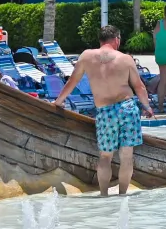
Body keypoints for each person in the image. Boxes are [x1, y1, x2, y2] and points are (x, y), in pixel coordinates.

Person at [52, 26, 155, 196]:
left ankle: (104, 196)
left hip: (105, 111)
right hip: (127, 108)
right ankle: (122, 195)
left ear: (100, 40)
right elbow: (139, 87)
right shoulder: (126, 59)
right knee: (126, 156)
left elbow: (72, 81)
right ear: (117, 39)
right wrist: (147, 107)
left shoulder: (86, 56)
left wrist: (58, 101)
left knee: (105, 156)